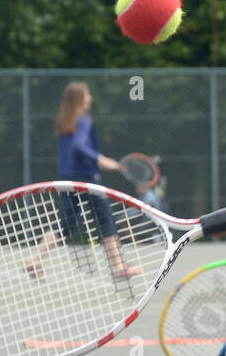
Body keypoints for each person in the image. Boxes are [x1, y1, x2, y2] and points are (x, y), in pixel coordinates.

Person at [26, 82, 141, 280]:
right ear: (79, 98)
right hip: (87, 179)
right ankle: (118, 267)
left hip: (68, 178)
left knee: (67, 224)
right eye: (87, 95)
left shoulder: (65, 122)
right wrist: (100, 160)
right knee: (106, 219)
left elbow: (76, 149)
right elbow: (80, 146)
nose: (90, 99)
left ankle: (35, 260)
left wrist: (99, 158)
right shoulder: (84, 121)